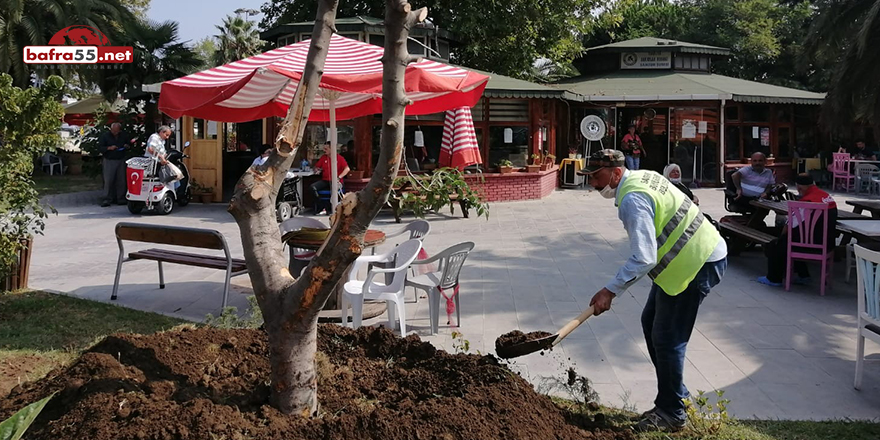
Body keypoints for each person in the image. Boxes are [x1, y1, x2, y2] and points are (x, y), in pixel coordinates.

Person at [578, 149, 727, 432]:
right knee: (651, 324)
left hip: (697, 263)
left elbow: (644, 257)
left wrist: (609, 291)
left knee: (667, 339)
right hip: (689, 260)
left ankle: (672, 413)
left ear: (617, 173)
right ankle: (675, 398)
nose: (593, 184)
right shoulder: (643, 176)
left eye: (597, 177)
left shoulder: (632, 199)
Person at [757, 173, 838, 287]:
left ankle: (774, 279)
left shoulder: (805, 202)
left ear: (798, 187)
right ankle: (803, 275)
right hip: (828, 243)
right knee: (799, 238)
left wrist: (781, 238)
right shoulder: (827, 197)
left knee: (777, 244)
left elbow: (789, 225)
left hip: (808, 243)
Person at [98, 122, 136, 207]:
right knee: (108, 180)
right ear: (111, 129)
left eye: (117, 131)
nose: (115, 133)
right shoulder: (105, 136)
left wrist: (127, 146)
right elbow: (100, 147)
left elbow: (129, 143)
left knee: (121, 180)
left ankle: (121, 198)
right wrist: (109, 148)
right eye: (114, 131)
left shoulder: (123, 135)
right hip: (109, 159)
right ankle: (107, 199)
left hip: (121, 159)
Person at [730, 152, 775, 223]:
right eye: (755, 161)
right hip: (745, 198)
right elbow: (734, 176)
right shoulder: (747, 169)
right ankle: (752, 226)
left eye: (760, 161)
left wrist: (766, 192)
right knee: (762, 208)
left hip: (760, 199)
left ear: (765, 161)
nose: (757, 163)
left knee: (769, 205)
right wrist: (738, 188)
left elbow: (770, 185)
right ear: (751, 162)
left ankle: (752, 225)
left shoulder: (768, 172)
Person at [311, 141, 350, 214]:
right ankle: (321, 206)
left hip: (336, 181)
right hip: (325, 180)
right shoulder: (323, 157)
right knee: (312, 187)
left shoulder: (339, 158)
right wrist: (316, 169)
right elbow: (316, 167)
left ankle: (330, 208)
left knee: (334, 190)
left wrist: (339, 177)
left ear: (332, 149)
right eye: (324, 149)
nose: (324, 150)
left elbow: (347, 169)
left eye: (326, 149)